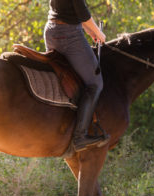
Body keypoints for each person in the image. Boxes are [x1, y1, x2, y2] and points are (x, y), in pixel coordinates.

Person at [44, 0, 107, 152]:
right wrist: (98, 32)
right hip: (69, 36)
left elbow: (69, 9)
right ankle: (80, 136)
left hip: (51, 30)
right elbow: (82, 12)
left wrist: (89, 30)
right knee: (95, 83)